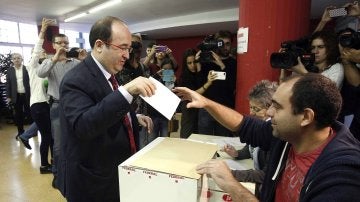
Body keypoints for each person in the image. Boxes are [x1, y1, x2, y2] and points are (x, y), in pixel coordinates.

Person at [173, 73, 360, 202]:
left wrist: (232, 185)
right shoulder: (289, 136)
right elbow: (244, 125)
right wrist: (205, 102)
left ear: (306, 117)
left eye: (277, 107)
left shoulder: (342, 178)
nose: (269, 112)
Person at [58, 16, 155, 201]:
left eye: (129, 48)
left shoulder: (108, 72)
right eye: (123, 48)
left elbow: (103, 107)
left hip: (112, 174)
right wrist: (127, 91)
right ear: (100, 45)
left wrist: (132, 116)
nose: (127, 55)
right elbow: (83, 125)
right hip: (92, 182)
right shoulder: (75, 79)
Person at [36, 32, 86, 187]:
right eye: (60, 43)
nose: (63, 46)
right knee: (58, 144)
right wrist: (54, 58)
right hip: (57, 106)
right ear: (54, 45)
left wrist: (85, 61)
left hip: (75, 106)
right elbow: (40, 73)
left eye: (66, 43)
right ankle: (57, 174)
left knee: (77, 140)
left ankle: (75, 172)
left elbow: (89, 78)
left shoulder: (76, 63)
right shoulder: (49, 62)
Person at [222, 80, 277, 198]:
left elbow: (265, 175)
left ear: (271, 108)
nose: (251, 112)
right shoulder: (259, 127)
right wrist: (237, 153)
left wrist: (230, 174)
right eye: (251, 107)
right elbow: (251, 148)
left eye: (256, 109)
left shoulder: (274, 134)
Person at [197, 30, 237, 137]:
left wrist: (222, 65)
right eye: (222, 44)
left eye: (228, 44)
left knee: (223, 142)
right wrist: (198, 64)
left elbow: (232, 85)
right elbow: (200, 85)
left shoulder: (234, 63)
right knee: (204, 141)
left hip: (225, 108)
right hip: (207, 108)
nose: (225, 47)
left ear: (231, 44)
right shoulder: (206, 62)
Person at [179, 48, 216, 138]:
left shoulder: (201, 72)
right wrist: (207, 84)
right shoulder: (184, 76)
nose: (192, 65)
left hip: (202, 110)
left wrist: (199, 69)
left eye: (194, 62)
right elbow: (192, 94)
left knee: (200, 138)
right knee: (187, 137)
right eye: (189, 63)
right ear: (185, 64)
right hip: (189, 110)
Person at [6, 53, 31, 139]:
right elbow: (8, 84)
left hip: (27, 95)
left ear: (22, 59)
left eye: (18, 58)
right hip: (16, 96)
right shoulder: (9, 70)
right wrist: (8, 96)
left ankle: (32, 131)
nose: (16, 60)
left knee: (30, 113)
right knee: (18, 115)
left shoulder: (26, 68)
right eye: (14, 58)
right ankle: (20, 132)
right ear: (12, 60)